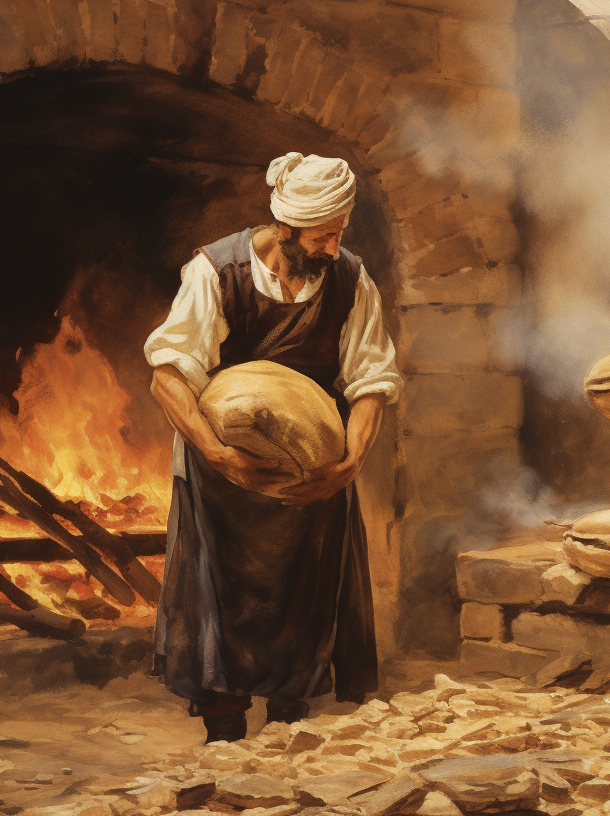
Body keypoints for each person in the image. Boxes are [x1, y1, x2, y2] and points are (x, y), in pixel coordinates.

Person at [143, 153, 402, 743]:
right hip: (223, 472)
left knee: (300, 602)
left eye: (340, 234)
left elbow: (370, 381)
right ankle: (226, 733)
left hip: (311, 470)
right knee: (223, 601)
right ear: (285, 229)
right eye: (323, 237)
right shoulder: (215, 273)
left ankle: (289, 736)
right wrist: (216, 452)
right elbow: (167, 374)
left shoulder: (351, 280)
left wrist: (348, 466)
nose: (334, 249)